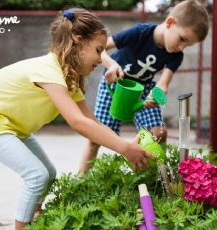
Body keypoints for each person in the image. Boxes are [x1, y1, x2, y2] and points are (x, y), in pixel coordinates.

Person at [0, 8, 155, 230]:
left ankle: (34, 217)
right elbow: (78, 123)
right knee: (36, 175)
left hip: (10, 124)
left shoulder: (68, 80)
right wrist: (124, 148)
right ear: (79, 41)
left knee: (48, 174)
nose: (101, 59)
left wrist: (126, 145)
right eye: (98, 50)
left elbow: (93, 123)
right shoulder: (50, 70)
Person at [79, 0, 209, 175]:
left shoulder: (176, 56)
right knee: (95, 138)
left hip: (143, 89)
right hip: (116, 86)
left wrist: (156, 96)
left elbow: (162, 85)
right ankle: (80, 180)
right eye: (183, 39)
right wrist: (111, 65)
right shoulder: (140, 33)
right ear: (170, 22)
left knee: (159, 133)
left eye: (188, 45)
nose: (182, 47)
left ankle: (142, 175)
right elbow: (100, 49)